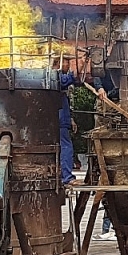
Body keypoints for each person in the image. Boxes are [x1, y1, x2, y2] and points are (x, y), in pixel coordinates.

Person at [56, 59, 81, 187]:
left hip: (62, 119)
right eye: (67, 62)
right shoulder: (55, 77)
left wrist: (70, 119)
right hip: (58, 121)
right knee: (66, 147)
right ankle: (67, 177)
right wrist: (77, 69)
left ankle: (62, 176)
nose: (68, 65)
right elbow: (64, 80)